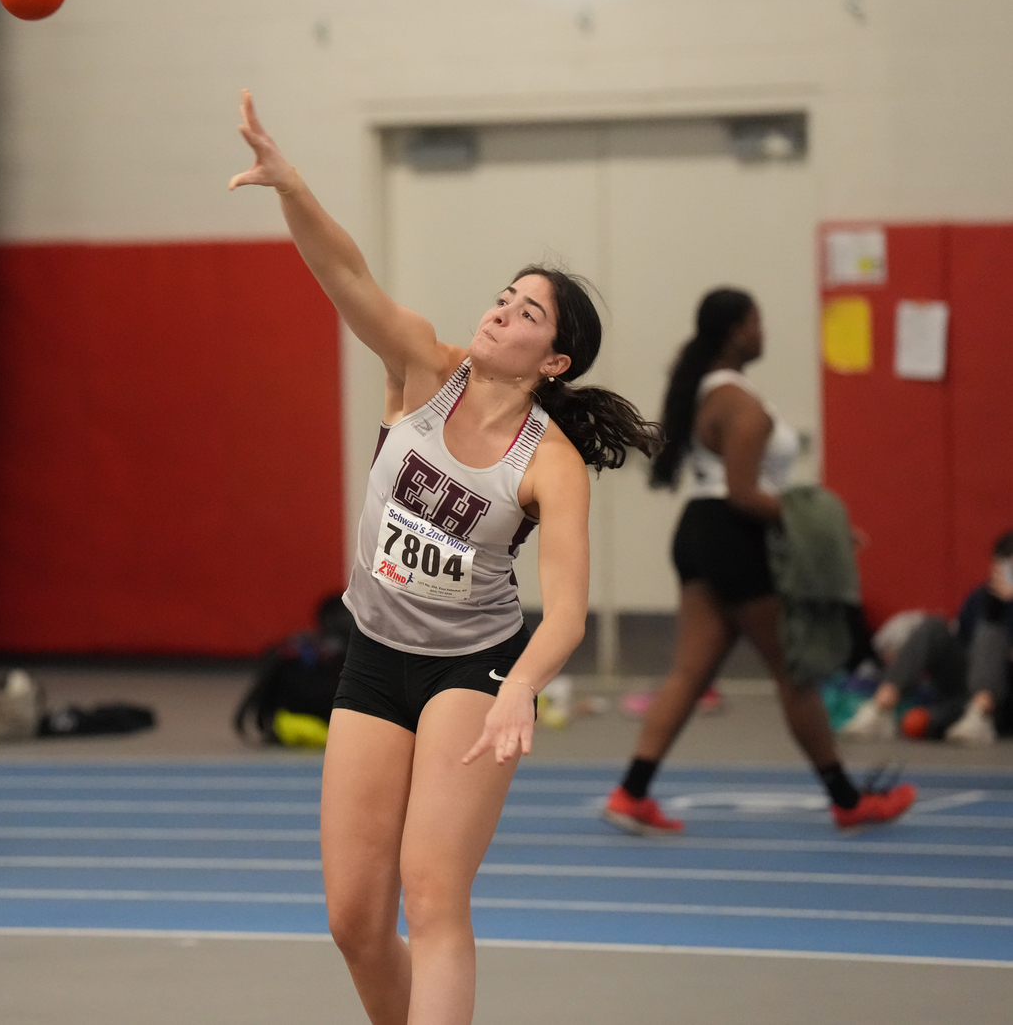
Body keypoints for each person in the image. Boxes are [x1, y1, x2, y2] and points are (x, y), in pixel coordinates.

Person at [230, 91, 661, 1025]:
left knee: (432, 895)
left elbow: (570, 609)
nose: (503, 311)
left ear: (556, 359)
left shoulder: (549, 462)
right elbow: (344, 273)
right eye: (505, 297)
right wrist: (291, 186)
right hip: (376, 655)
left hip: (476, 667)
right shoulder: (425, 368)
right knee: (352, 917)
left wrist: (519, 688)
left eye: (529, 311)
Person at [604, 288, 916, 836]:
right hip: (733, 535)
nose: (763, 333)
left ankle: (632, 792)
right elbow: (746, 493)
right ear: (735, 332)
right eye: (756, 322)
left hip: (698, 531)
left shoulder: (702, 389)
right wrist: (823, 526)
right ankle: (848, 802)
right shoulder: (740, 403)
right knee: (794, 674)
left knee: (690, 671)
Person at [842, 530, 1013, 746]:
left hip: (1003, 700)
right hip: (967, 691)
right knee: (933, 626)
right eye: (1001, 566)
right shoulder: (980, 597)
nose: (1004, 575)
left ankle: (980, 716)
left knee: (990, 633)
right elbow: (961, 646)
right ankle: (880, 708)